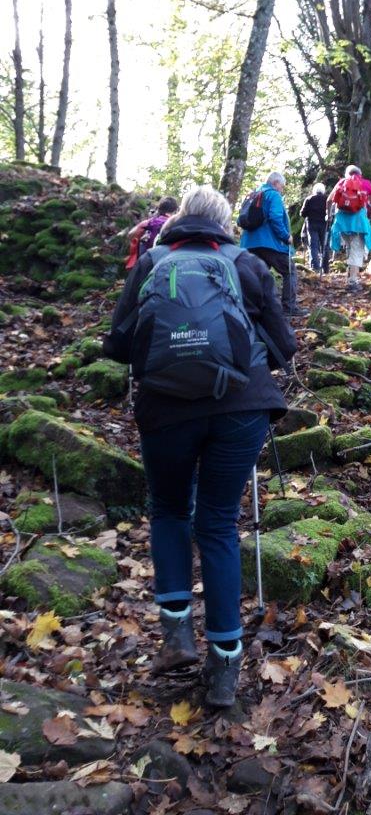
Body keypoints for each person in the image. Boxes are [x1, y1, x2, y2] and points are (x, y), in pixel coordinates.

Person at [103, 186, 297, 708]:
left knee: (168, 511)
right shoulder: (247, 264)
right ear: (225, 223)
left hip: (166, 409)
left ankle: (176, 636)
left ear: (181, 220)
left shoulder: (151, 262)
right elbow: (286, 346)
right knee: (216, 523)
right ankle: (225, 669)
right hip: (240, 409)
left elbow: (118, 344)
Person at [239, 172, 306, 317]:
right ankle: (289, 307)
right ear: (275, 183)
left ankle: (257, 308)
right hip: (268, 243)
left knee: (258, 275)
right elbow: (275, 218)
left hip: (248, 243)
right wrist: (286, 236)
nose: (282, 190)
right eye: (282, 187)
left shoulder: (253, 194)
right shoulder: (273, 195)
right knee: (290, 271)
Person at [328, 165, 371, 291]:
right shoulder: (366, 184)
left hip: (341, 223)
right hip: (358, 224)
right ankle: (353, 282)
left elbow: (329, 200)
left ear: (347, 174)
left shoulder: (341, 183)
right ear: (360, 174)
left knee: (350, 247)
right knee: (357, 251)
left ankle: (350, 273)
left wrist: (328, 215)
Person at [124, 196, 178, 270]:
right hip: (166, 264)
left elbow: (131, 234)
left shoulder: (151, 222)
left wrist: (141, 239)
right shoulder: (177, 225)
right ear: (175, 210)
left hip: (148, 261)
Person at [299, 182, 328, 274]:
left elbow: (303, 213)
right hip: (324, 225)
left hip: (312, 225)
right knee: (324, 245)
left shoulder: (309, 199)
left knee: (313, 245)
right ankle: (326, 268)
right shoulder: (327, 199)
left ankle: (315, 267)